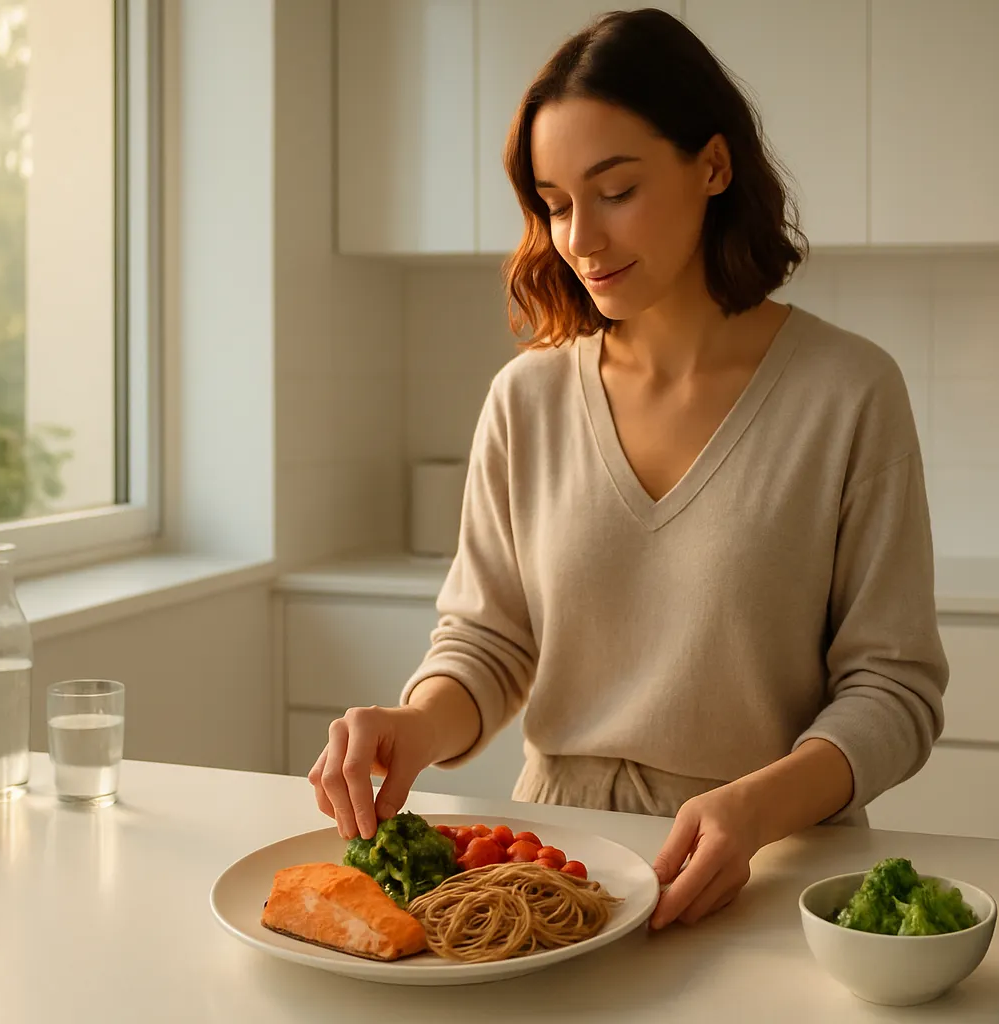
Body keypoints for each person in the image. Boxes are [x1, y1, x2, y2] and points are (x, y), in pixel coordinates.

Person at [310, 7, 948, 931]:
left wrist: (758, 808)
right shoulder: (525, 399)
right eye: (556, 203)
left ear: (714, 167)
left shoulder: (849, 393)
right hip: (556, 873)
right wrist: (415, 724)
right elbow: (488, 645)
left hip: (771, 871)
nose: (581, 239)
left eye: (615, 191)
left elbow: (895, 691)